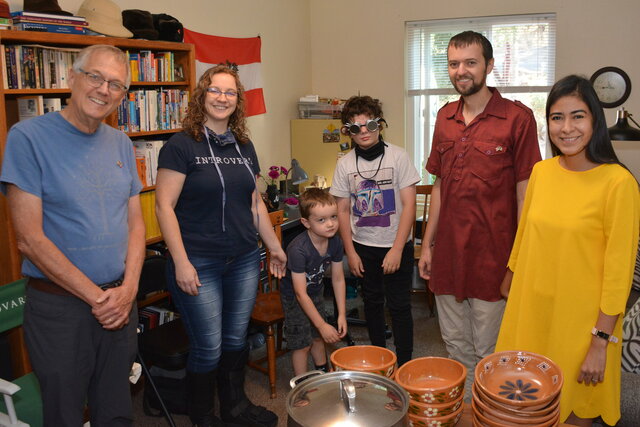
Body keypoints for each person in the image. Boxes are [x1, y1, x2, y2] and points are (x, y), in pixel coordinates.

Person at [0, 45, 145, 426]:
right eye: (95, 76)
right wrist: (99, 299)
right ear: (71, 77)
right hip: (60, 308)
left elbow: (136, 225)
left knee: (116, 409)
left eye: (115, 84)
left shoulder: (122, 144)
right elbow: (29, 239)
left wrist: (129, 289)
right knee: (63, 413)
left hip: (119, 301)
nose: (103, 89)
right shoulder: (28, 137)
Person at [496, 75, 640, 426]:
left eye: (578, 116)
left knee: (573, 409)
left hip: (582, 324)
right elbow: (526, 231)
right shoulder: (541, 172)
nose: (566, 128)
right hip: (531, 305)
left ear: (595, 120)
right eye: (557, 117)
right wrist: (511, 274)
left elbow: (619, 273)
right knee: (522, 402)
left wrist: (600, 342)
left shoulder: (618, 183)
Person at [155, 64, 283, 427]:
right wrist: (180, 263)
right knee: (208, 348)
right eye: (215, 90)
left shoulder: (244, 145)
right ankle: (203, 416)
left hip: (243, 258)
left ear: (237, 100)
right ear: (202, 95)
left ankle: (235, 408)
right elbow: (163, 207)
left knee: (235, 339)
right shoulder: (181, 146)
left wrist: (274, 247)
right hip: (199, 261)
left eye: (230, 92)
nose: (222, 98)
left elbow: (255, 204)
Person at [417, 30, 541, 396]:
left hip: (493, 256)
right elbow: (439, 186)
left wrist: (519, 257)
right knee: (455, 347)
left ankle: (485, 413)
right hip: (449, 256)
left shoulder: (517, 118)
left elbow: (525, 191)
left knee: (489, 352)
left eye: (470, 62)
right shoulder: (444, 117)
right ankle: (467, 411)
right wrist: (428, 245)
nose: (461, 71)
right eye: (454, 63)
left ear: (488, 65)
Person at [331, 95, 420, 366]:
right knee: (372, 304)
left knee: (400, 306)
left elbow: (409, 206)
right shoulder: (345, 164)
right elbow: (343, 211)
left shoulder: (399, 156)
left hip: (396, 246)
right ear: (348, 131)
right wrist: (351, 252)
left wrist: (396, 248)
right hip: (363, 246)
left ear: (379, 124)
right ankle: (380, 359)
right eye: (356, 127)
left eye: (369, 124)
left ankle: (404, 363)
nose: (364, 132)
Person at [279, 188, 347, 376]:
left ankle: (322, 375)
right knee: (302, 344)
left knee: (318, 338)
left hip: (315, 292)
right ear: (306, 223)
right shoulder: (298, 250)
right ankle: (301, 385)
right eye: (322, 220)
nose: (331, 224)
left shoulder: (335, 242)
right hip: (294, 297)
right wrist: (322, 324)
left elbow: (338, 278)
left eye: (333, 217)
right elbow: (300, 293)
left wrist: (341, 314)